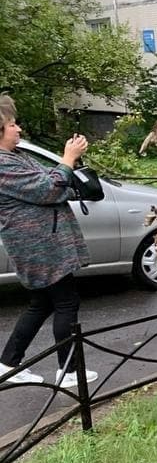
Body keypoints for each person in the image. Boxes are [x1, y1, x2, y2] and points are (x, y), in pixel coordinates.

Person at [0, 95, 99, 387]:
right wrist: (68, 158)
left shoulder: (16, 156)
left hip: (44, 241)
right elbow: (47, 188)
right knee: (67, 302)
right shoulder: (2, 164)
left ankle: (8, 363)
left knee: (41, 303)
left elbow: (56, 184)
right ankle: (68, 371)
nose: (18, 129)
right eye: (12, 124)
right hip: (39, 246)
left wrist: (67, 178)